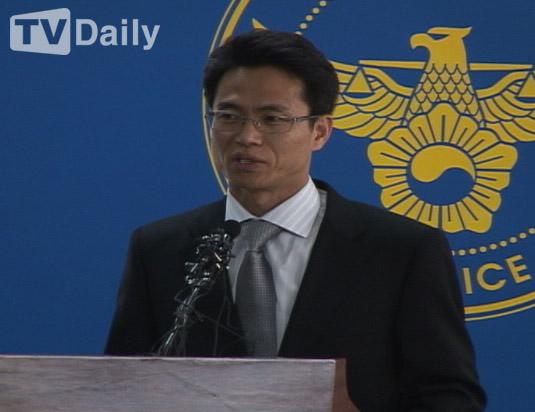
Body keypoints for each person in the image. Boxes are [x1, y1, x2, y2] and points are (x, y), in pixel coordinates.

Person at [105, 30, 486, 411]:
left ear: (320, 131)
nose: (247, 137)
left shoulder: (401, 250)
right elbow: (118, 389)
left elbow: (449, 396)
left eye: (272, 118)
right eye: (229, 116)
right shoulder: (159, 249)